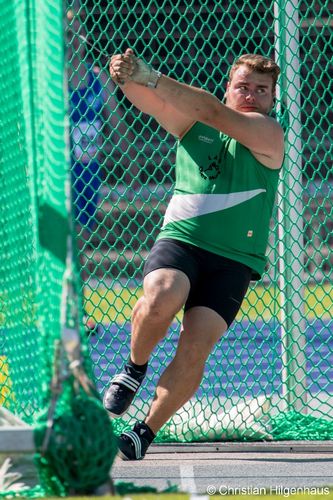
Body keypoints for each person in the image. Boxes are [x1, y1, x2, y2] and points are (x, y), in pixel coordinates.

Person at [103, 49, 284, 460]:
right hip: (182, 242)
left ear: (273, 100)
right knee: (164, 292)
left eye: (262, 90)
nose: (252, 95)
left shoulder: (268, 133)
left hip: (234, 261)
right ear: (228, 88)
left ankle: (144, 431)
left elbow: (214, 112)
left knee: (196, 344)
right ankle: (134, 368)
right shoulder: (194, 125)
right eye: (243, 86)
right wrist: (127, 76)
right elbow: (150, 100)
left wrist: (153, 75)